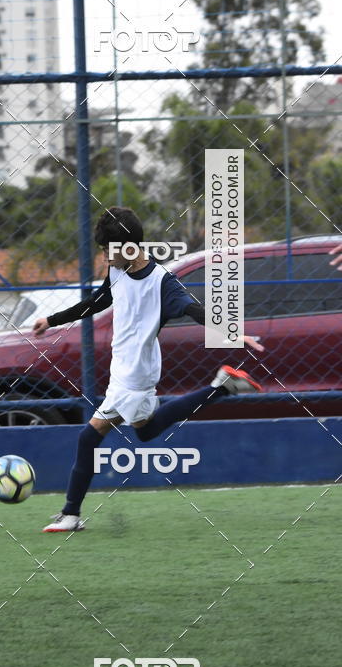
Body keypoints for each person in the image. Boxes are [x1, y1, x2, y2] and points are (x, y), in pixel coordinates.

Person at [33, 206, 265, 533]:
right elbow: (97, 301)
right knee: (144, 430)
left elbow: (192, 309)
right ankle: (221, 387)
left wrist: (231, 332)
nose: (104, 257)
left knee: (88, 437)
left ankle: (70, 515)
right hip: (124, 369)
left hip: (135, 375)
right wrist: (52, 321)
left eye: (107, 250)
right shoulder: (117, 270)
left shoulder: (161, 282)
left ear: (129, 248)